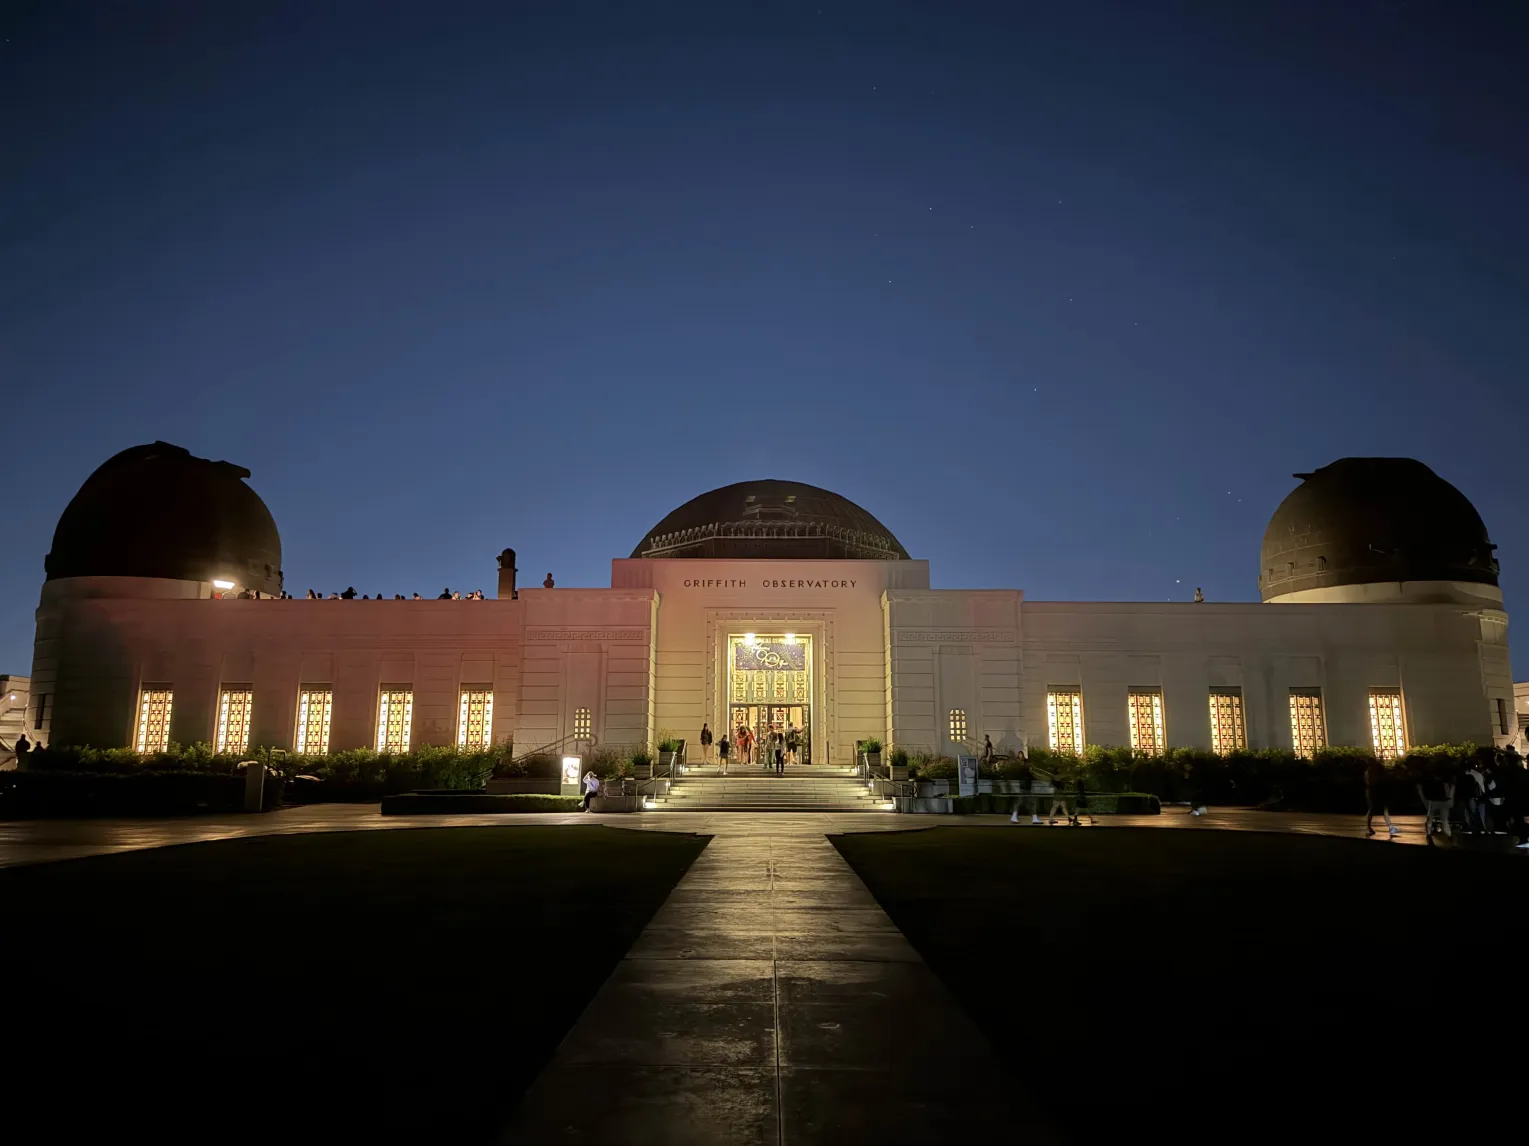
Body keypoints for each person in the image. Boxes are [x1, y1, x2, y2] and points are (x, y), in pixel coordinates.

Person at [1364, 758, 1401, 837]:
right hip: (1376, 790)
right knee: (1380, 809)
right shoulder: (1375, 771)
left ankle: (1370, 827)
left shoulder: (1370, 771)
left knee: (1377, 809)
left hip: (1374, 790)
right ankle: (1371, 827)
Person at [1416, 768, 1454, 845]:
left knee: (1430, 819)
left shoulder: (1429, 782)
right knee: (1445, 820)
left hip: (1432, 802)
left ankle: (1429, 835)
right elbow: (1449, 794)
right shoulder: (1445, 783)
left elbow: (1425, 793)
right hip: (1444, 802)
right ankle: (1449, 836)